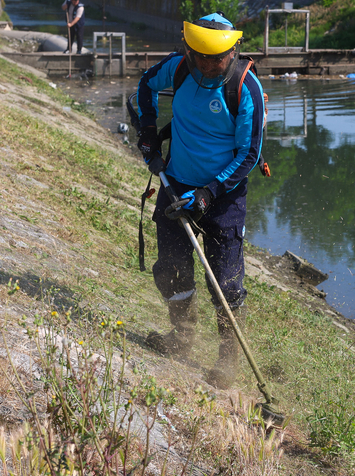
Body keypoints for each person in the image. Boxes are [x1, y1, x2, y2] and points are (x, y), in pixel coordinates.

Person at [135, 12, 265, 389]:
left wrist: (208, 195)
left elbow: (249, 154)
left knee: (225, 283)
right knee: (172, 268)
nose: (207, 65)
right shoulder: (177, 68)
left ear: (233, 51)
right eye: (200, 57)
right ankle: (181, 336)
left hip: (222, 196)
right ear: (188, 51)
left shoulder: (245, 87)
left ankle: (228, 358)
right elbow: (145, 85)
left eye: (217, 59)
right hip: (175, 184)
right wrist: (147, 131)